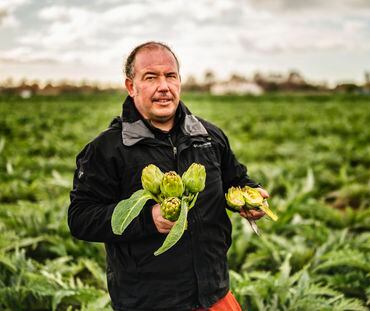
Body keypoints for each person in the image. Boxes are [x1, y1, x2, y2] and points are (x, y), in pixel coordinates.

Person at [68, 41, 268, 311]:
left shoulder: (208, 136)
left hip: (215, 293)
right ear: (131, 86)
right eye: (150, 77)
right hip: (149, 302)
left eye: (170, 76)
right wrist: (147, 219)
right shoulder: (106, 150)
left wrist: (249, 196)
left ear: (179, 82)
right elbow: (80, 218)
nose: (164, 86)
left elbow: (236, 178)